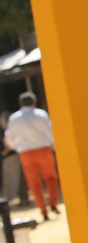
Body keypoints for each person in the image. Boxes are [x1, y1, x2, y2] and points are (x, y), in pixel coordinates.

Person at [4, 93, 58, 221]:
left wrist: (17, 148)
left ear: (21, 104)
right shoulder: (41, 114)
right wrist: (54, 146)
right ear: (34, 102)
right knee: (51, 178)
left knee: (34, 184)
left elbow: (9, 138)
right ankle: (53, 204)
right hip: (44, 150)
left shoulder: (14, 118)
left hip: (26, 153)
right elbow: (50, 132)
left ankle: (43, 211)